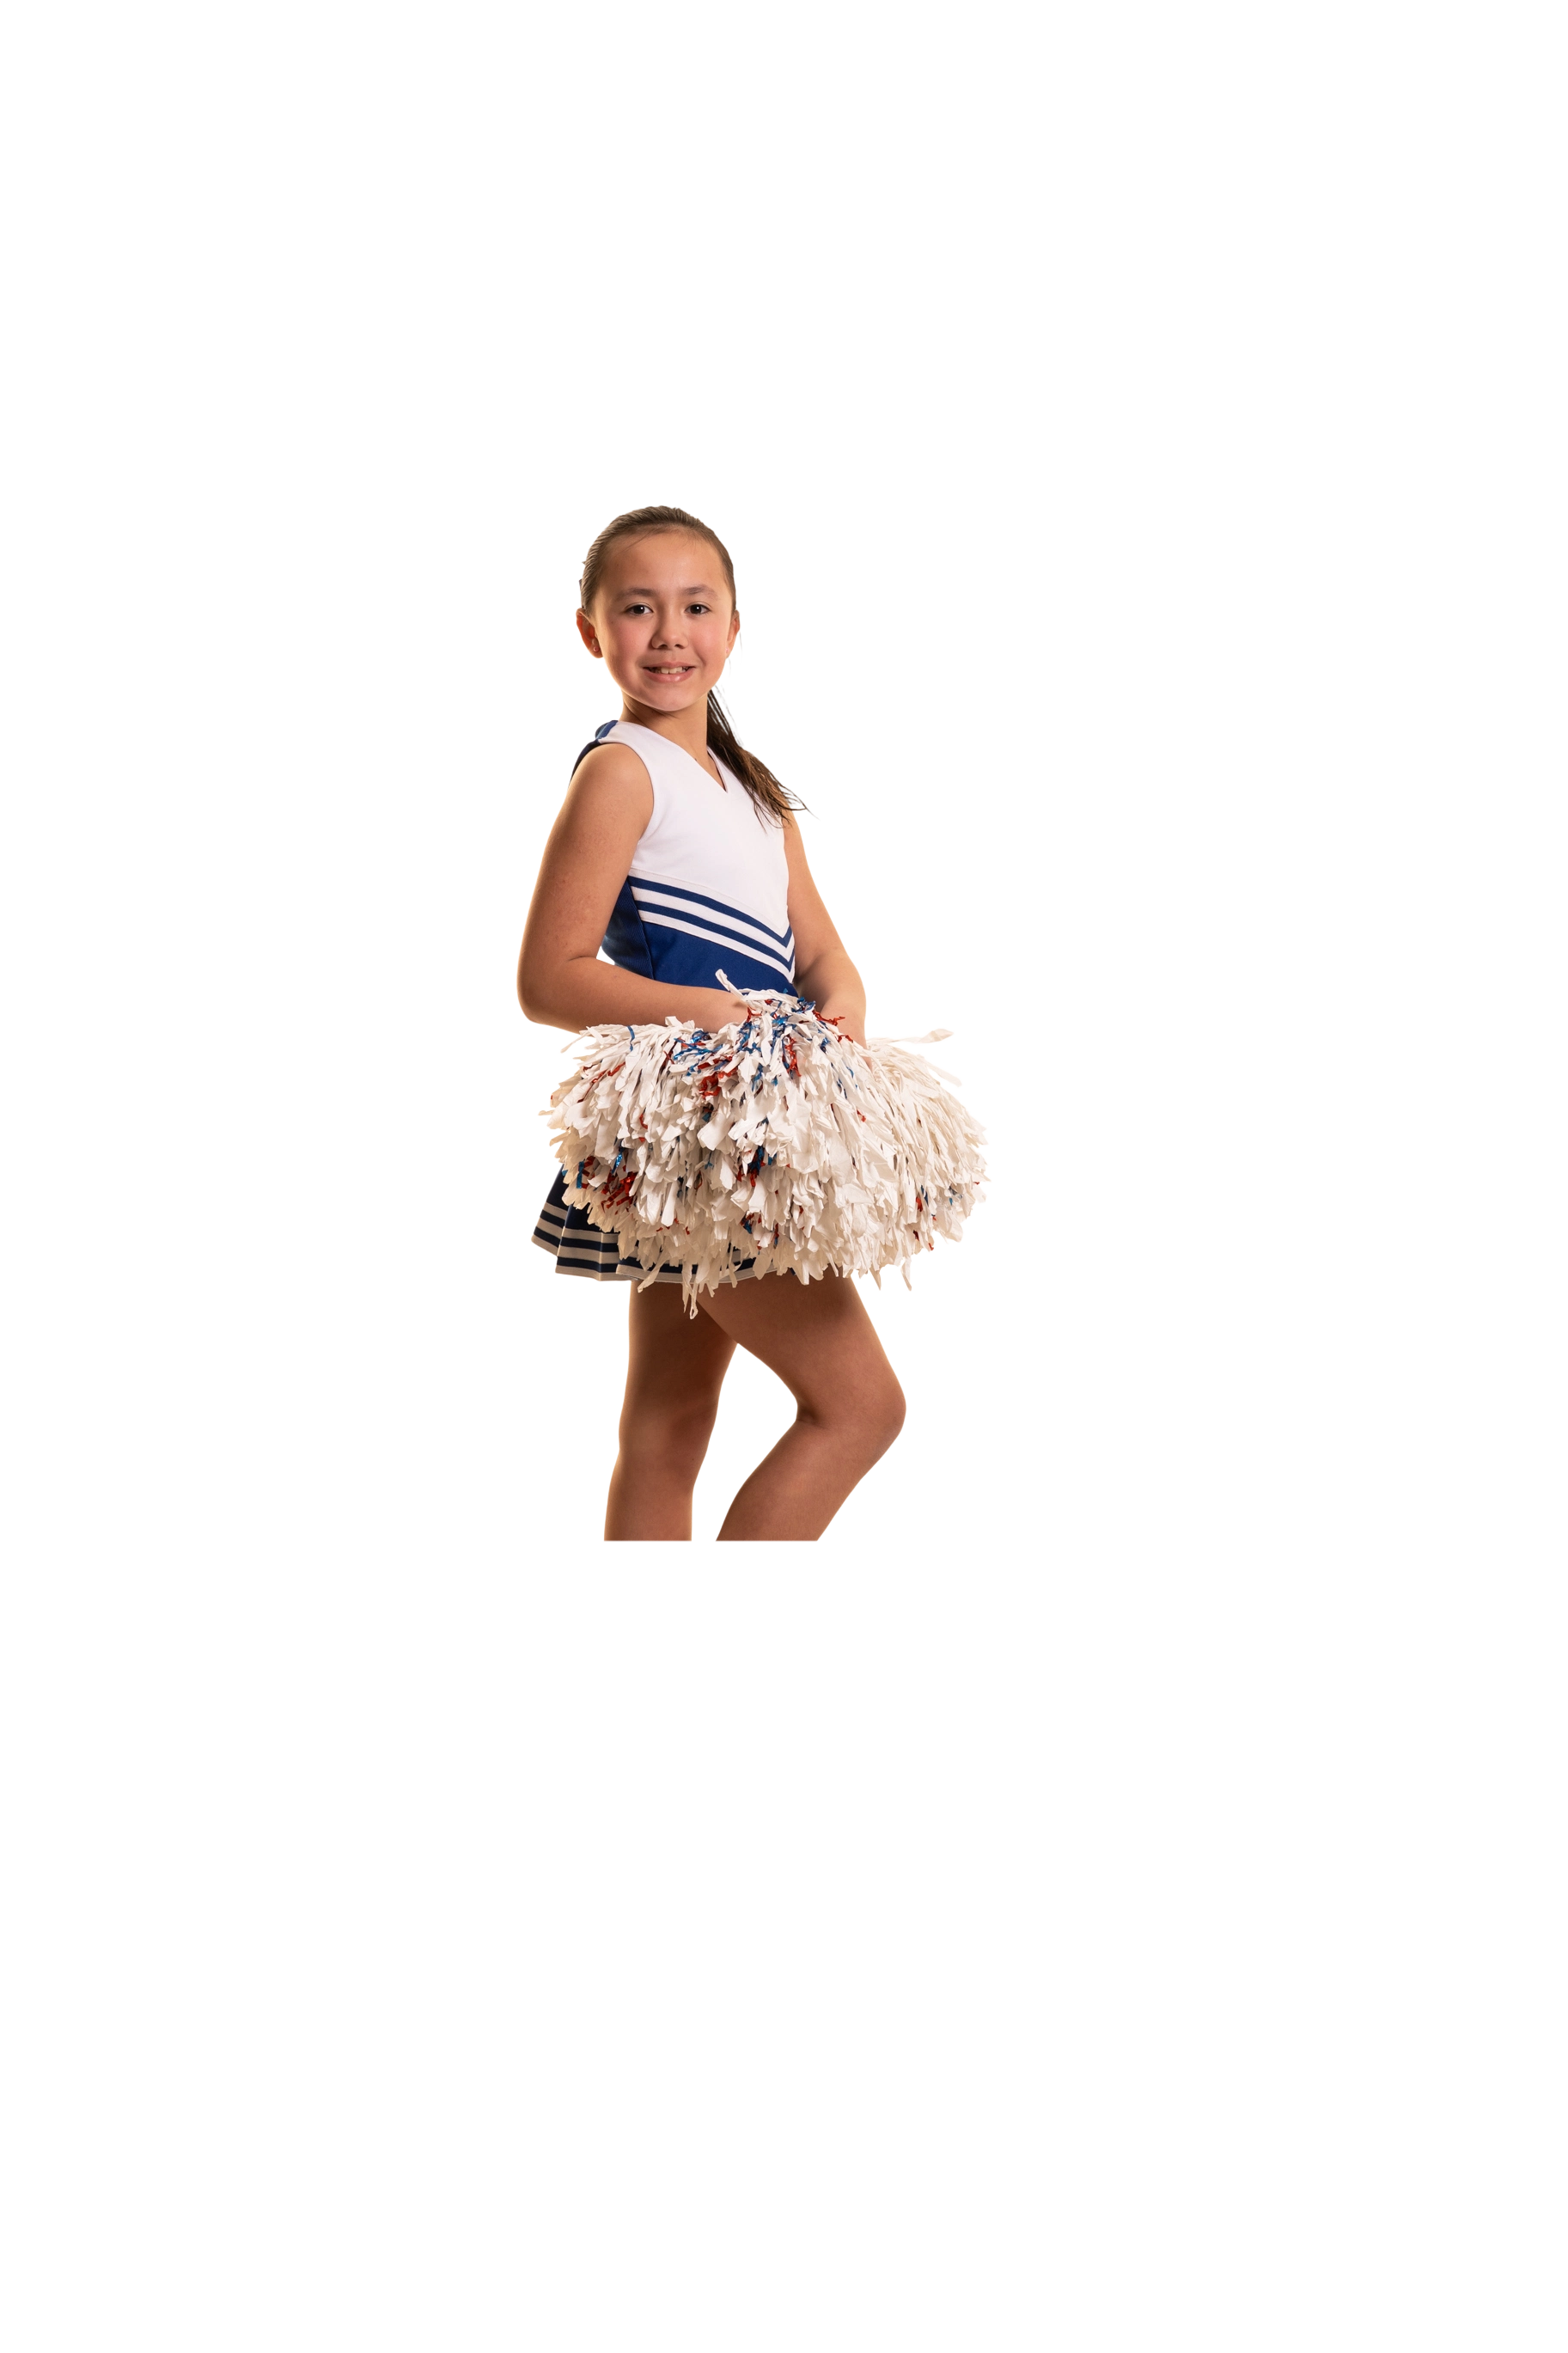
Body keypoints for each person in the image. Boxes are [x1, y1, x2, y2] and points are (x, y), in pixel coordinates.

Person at [516, 504, 906, 1543]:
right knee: (861, 1408)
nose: (668, 633)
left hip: (759, 1121)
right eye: (636, 608)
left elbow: (822, 953)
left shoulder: (755, 794)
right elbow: (549, 978)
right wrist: (726, 1017)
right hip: (700, 1136)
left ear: (733, 629)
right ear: (591, 631)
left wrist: (838, 1016)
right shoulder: (621, 771)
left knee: (669, 1423)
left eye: (696, 607)